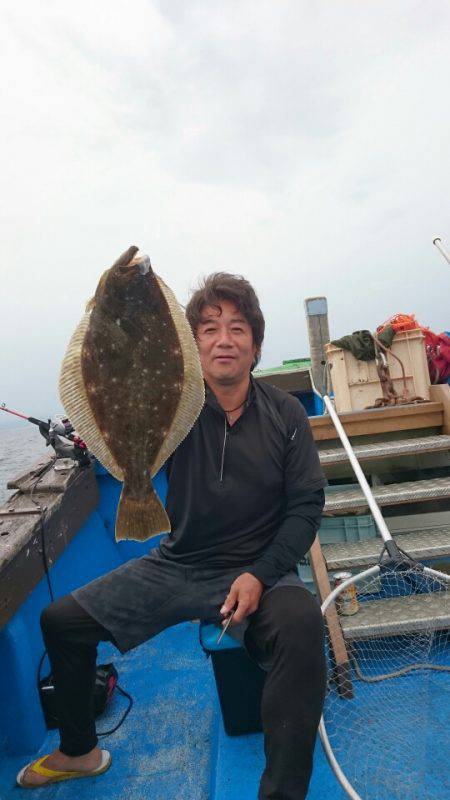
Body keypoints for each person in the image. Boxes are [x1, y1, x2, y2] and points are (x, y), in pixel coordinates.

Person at [17, 273, 327, 799]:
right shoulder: (174, 410)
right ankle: (79, 750)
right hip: (180, 563)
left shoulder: (287, 414)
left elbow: (306, 506)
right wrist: (109, 310)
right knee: (60, 621)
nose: (223, 339)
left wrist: (260, 573)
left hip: (259, 568)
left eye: (237, 328)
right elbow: (121, 372)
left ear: (255, 343)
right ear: (192, 344)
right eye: (208, 329)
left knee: (301, 624)